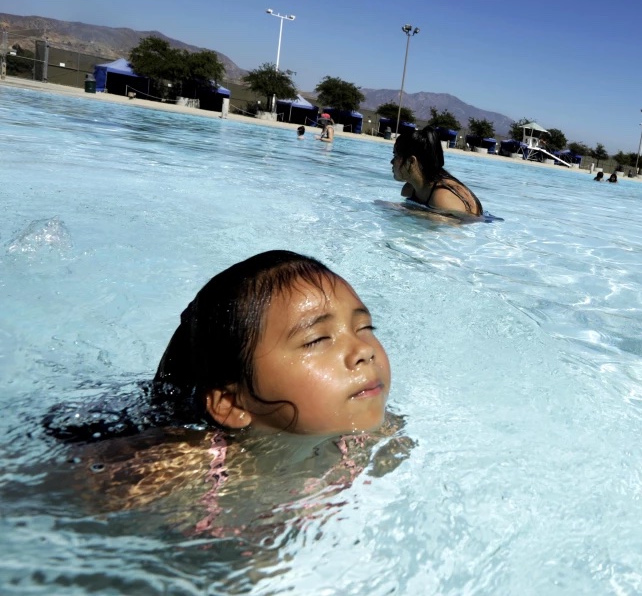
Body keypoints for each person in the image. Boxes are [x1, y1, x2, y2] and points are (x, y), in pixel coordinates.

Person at [42, 251, 403, 523]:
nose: (363, 351)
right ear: (231, 403)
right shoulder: (166, 471)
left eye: (365, 328)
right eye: (317, 339)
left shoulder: (372, 436)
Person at [391, 125, 483, 216]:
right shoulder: (410, 189)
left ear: (411, 161)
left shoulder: (442, 197)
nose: (391, 162)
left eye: (395, 156)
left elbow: (456, 227)